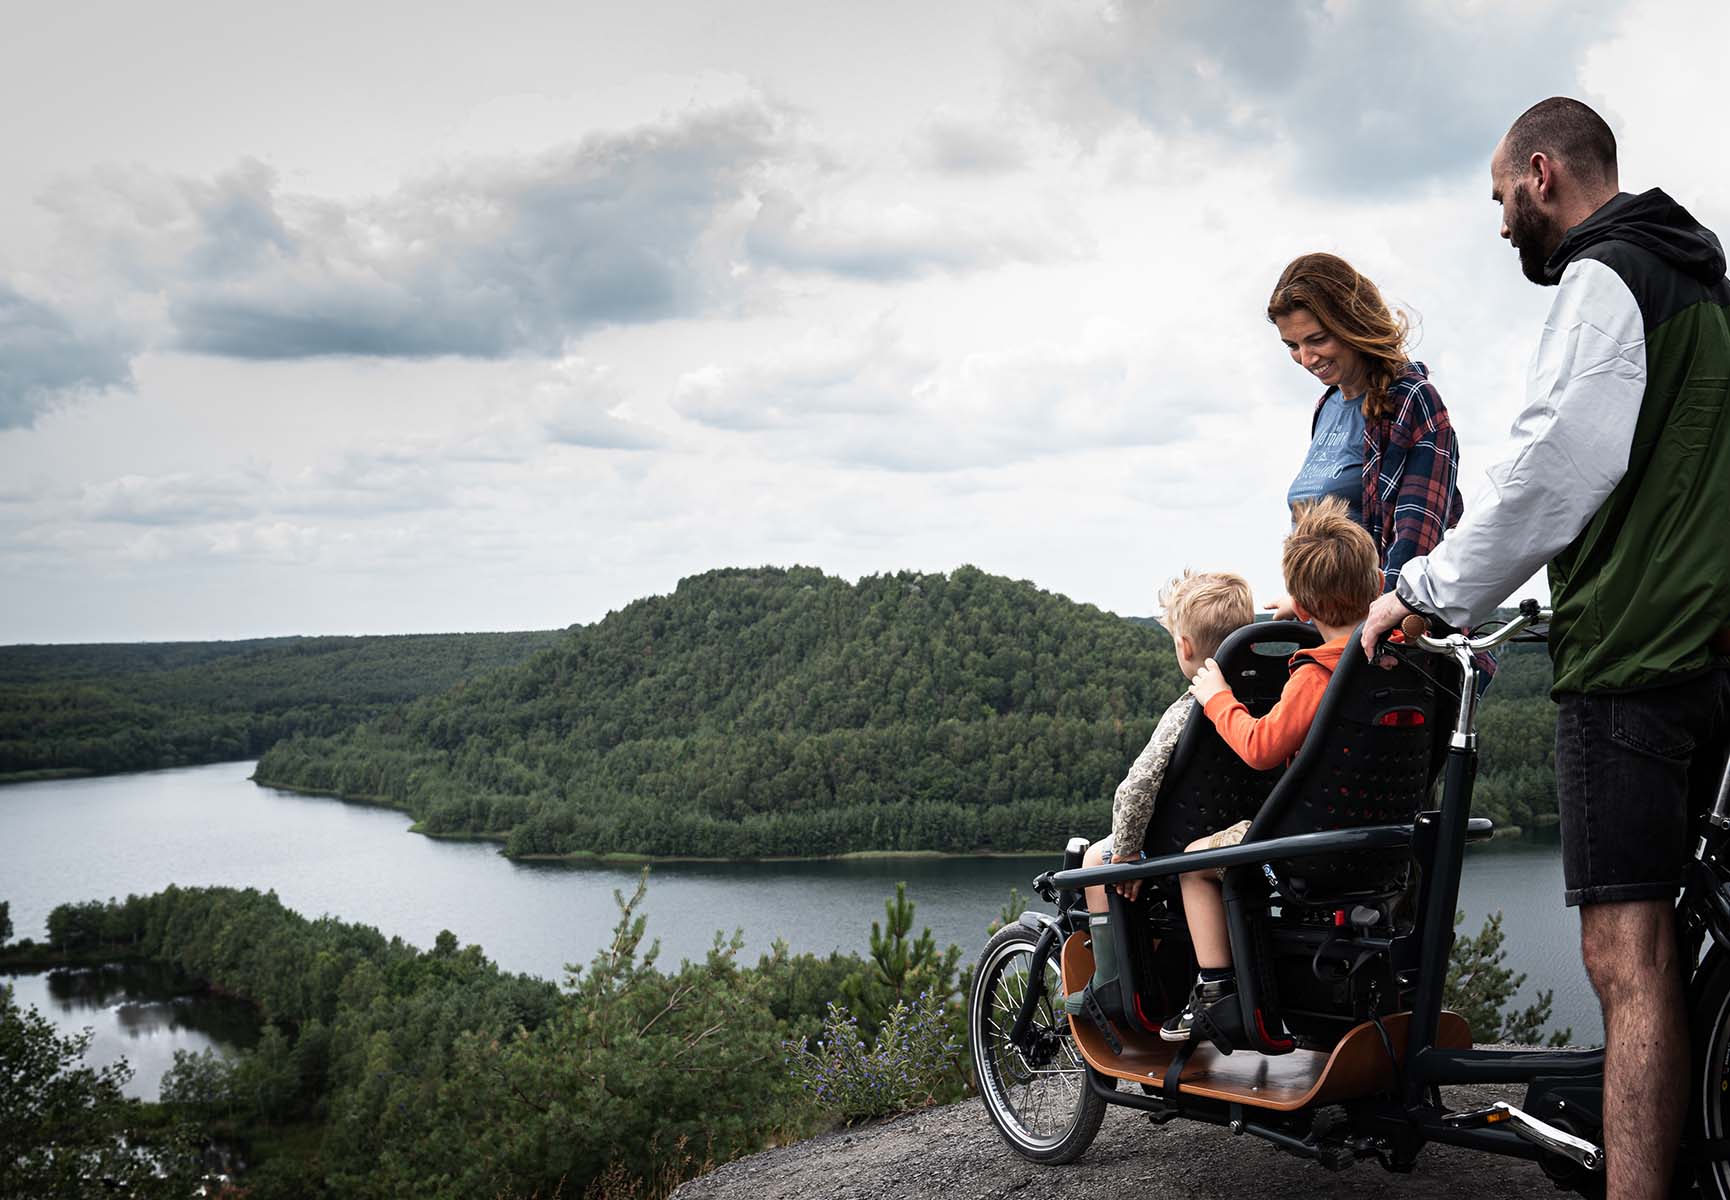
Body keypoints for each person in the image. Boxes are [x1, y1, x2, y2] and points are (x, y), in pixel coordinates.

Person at [1360, 97, 1730, 1200]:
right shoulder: (1703, 286)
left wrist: (1423, 592)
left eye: (1498, 199)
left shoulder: (1604, 277)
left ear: (1540, 175)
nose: (1498, 222)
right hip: (1710, 647)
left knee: (1627, 958)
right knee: (1681, 932)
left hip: (1631, 655)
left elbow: (1550, 470)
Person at [1160, 497, 1382, 1041]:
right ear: (1377, 584)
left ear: (1304, 607)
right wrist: (1304, 608)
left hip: (1305, 844)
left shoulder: (1314, 677)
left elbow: (1260, 746)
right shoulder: (1391, 659)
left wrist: (1217, 698)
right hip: (1379, 838)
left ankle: (1215, 988)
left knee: (1194, 862)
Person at [1068, 570, 1256, 1009]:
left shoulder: (1187, 711)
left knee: (1098, 859)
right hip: (1244, 834)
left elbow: (1136, 788)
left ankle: (1116, 984)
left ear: (1184, 647)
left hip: (1177, 849)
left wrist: (1129, 853)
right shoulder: (1261, 700)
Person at [1266, 253, 1468, 615]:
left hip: (1378, 638)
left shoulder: (1410, 400)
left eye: (1317, 339)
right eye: (1293, 346)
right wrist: (1302, 601)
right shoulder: (1326, 405)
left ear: (1351, 323)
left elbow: (1414, 544)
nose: (1307, 358)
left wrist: (1375, 636)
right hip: (1324, 629)